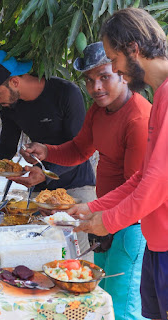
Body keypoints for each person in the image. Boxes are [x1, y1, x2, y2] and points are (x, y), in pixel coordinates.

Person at [15, 41, 151, 320]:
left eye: (104, 77)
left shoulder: (137, 117)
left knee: (123, 308)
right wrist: (48, 150)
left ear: (122, 73)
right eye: (89, 80)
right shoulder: (98, 111)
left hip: (131, 224)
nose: (96, 87)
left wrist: (92, 210)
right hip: (105, 219)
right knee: (103, 300)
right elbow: (79, 150)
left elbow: (137, 189)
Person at [0, 49, 96, 260]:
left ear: (15, 82)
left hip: (76, 189)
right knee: (39, 260)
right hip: (40, 196)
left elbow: (79, 149)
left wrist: (47, 173)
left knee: (75, 263)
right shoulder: (11, 107)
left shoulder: (65, 93)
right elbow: (6, 147)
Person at [68, 8, 168, 320]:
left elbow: (155, 185)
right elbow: (142, 177)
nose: (113, 68)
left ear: (133, 50)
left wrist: (107, 221)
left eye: (113, 59)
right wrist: (93, 208)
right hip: (157, 241)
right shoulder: (160, 95)